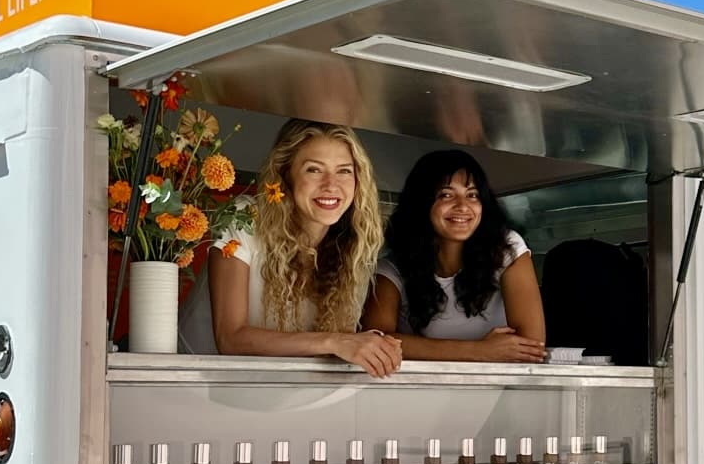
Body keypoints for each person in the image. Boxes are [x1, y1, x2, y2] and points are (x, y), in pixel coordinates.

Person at [206, 119, 400, 376]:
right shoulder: (244, 218)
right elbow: (230, 339)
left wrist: (373, 345)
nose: (331, 185)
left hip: (278, 394)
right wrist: (334, 341)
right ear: (285, 175)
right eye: (314, 170)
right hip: (195, 388)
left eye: (344, 171)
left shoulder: (356, 244)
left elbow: (342, 347)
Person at [362, 150, 546, 362]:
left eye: (472, 195)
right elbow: (375, 342)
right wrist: (480, 351)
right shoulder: (392, 267)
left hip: (497, 392)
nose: (463, 206)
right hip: (420, 392)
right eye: (446, 195)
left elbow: (532, 347)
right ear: (422, 204)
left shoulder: (506, 248)